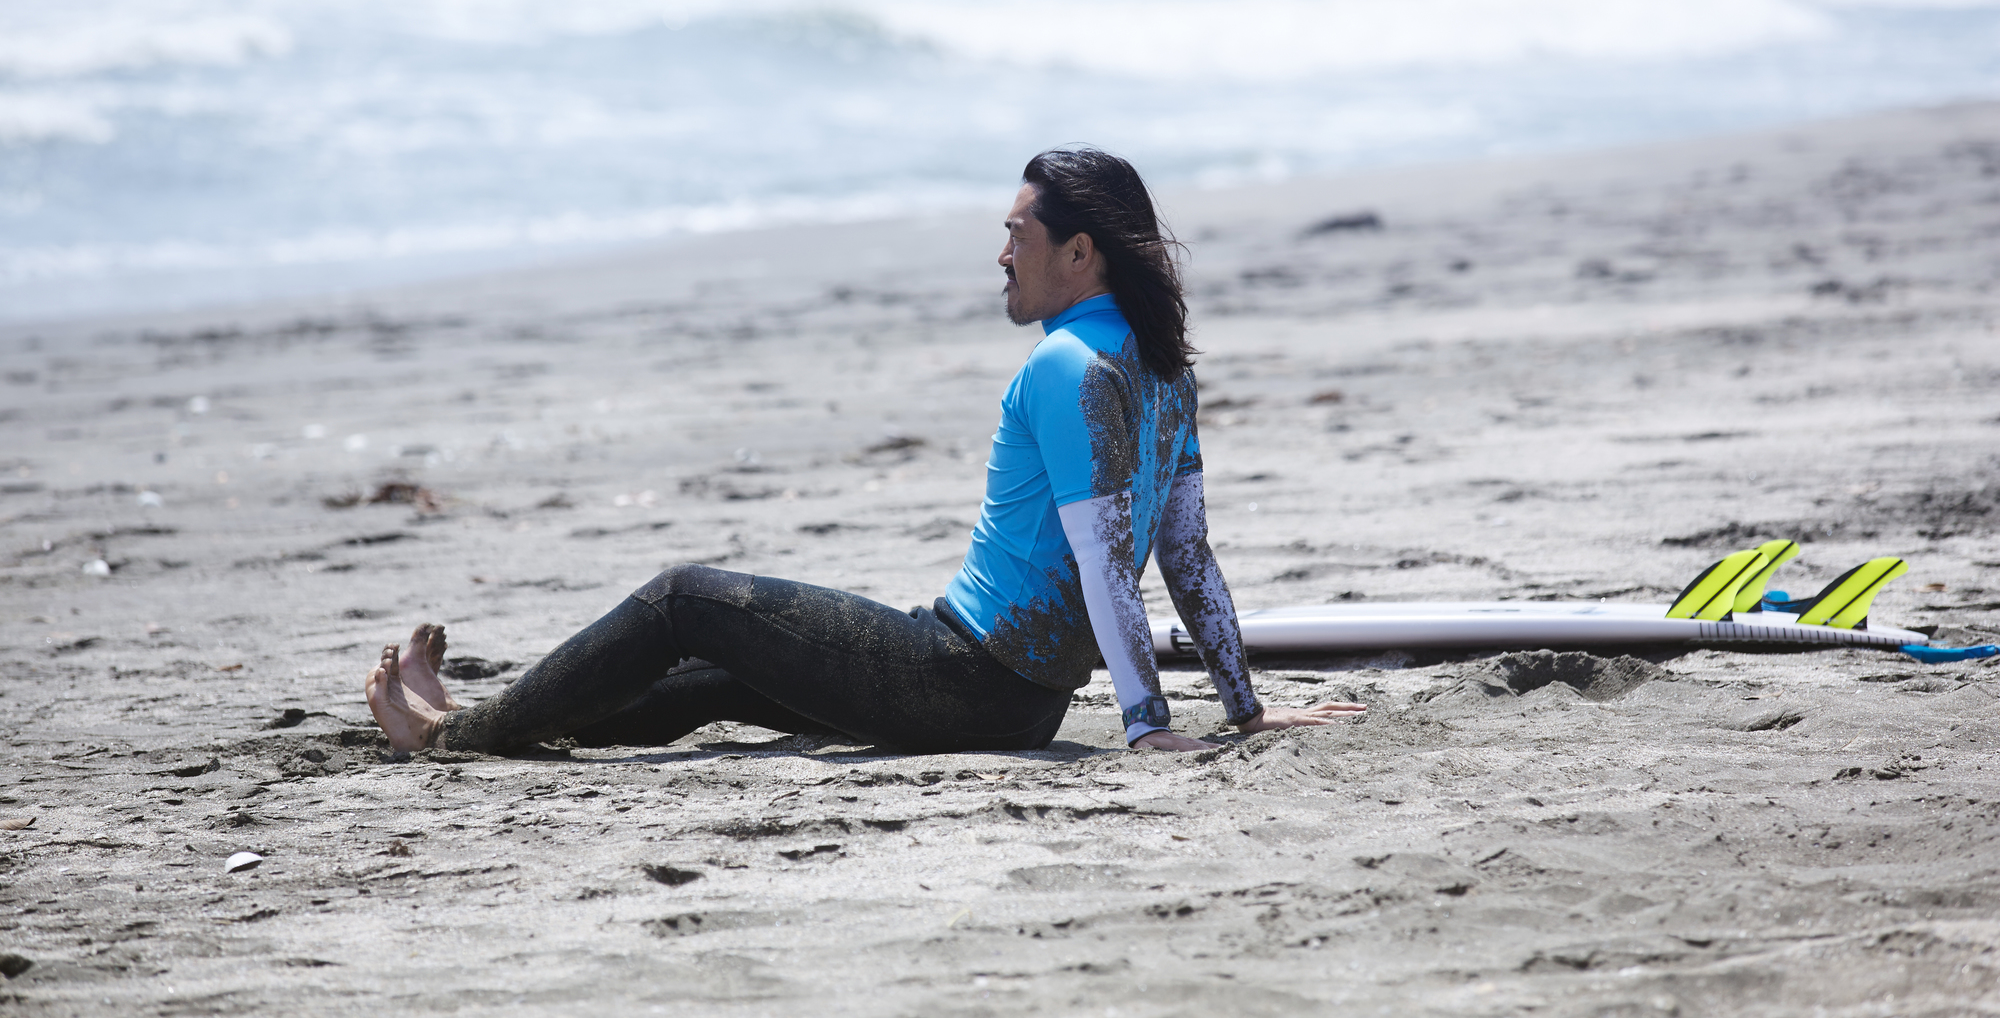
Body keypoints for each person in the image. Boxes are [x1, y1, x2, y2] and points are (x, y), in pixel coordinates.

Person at [364, 148, 1363, 755]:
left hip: (959, 675)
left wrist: (1147, 725)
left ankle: (449, 736)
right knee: (717, 680)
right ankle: (502, 719)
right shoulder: (1163, 370)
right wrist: (1242, 710)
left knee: (685, 599)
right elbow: (1186, 561)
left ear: (1077, 253)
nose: (1000, 253)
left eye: (1017, 232)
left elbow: (1111, 567)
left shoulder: (1068, 366)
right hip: (1020, 707)